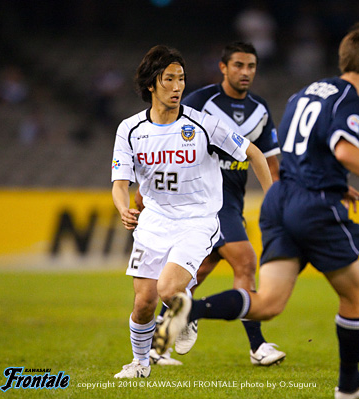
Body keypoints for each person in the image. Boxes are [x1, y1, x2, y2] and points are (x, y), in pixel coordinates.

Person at [153, 23, 359, 399]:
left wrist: (331, 179)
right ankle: (349, 385)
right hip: (309, 205)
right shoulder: (350, 100)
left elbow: (290, 153)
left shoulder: (305, 93)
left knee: (267, 303)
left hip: (281, 201)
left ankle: (191, 311)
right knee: (356, 295)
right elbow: (344, 150)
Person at [111, 44, 272, 379]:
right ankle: (140, 363)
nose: (178, 86)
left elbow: (255, 154)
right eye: (169, 79)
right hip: (154, 222)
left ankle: (189, 314)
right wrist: (123, 208)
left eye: (181, 78)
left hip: (197, 221)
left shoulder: (203, 125)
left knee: (169, 290)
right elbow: (120, 182)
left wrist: (273, 198)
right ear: (152, 84)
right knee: (143, 303)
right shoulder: (129, 129)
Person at [148, 41, 284, 367]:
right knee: (246, 262)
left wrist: (278, 199)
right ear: (223, 67)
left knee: (198, 272)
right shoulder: (200, 102)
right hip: (207, 201)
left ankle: (161, 339)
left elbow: (271, 162)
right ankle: (257, 346)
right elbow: (167, 142)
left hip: (233, 202)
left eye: (251, 66)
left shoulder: (260, 110)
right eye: (238, 65)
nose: (245, 72)